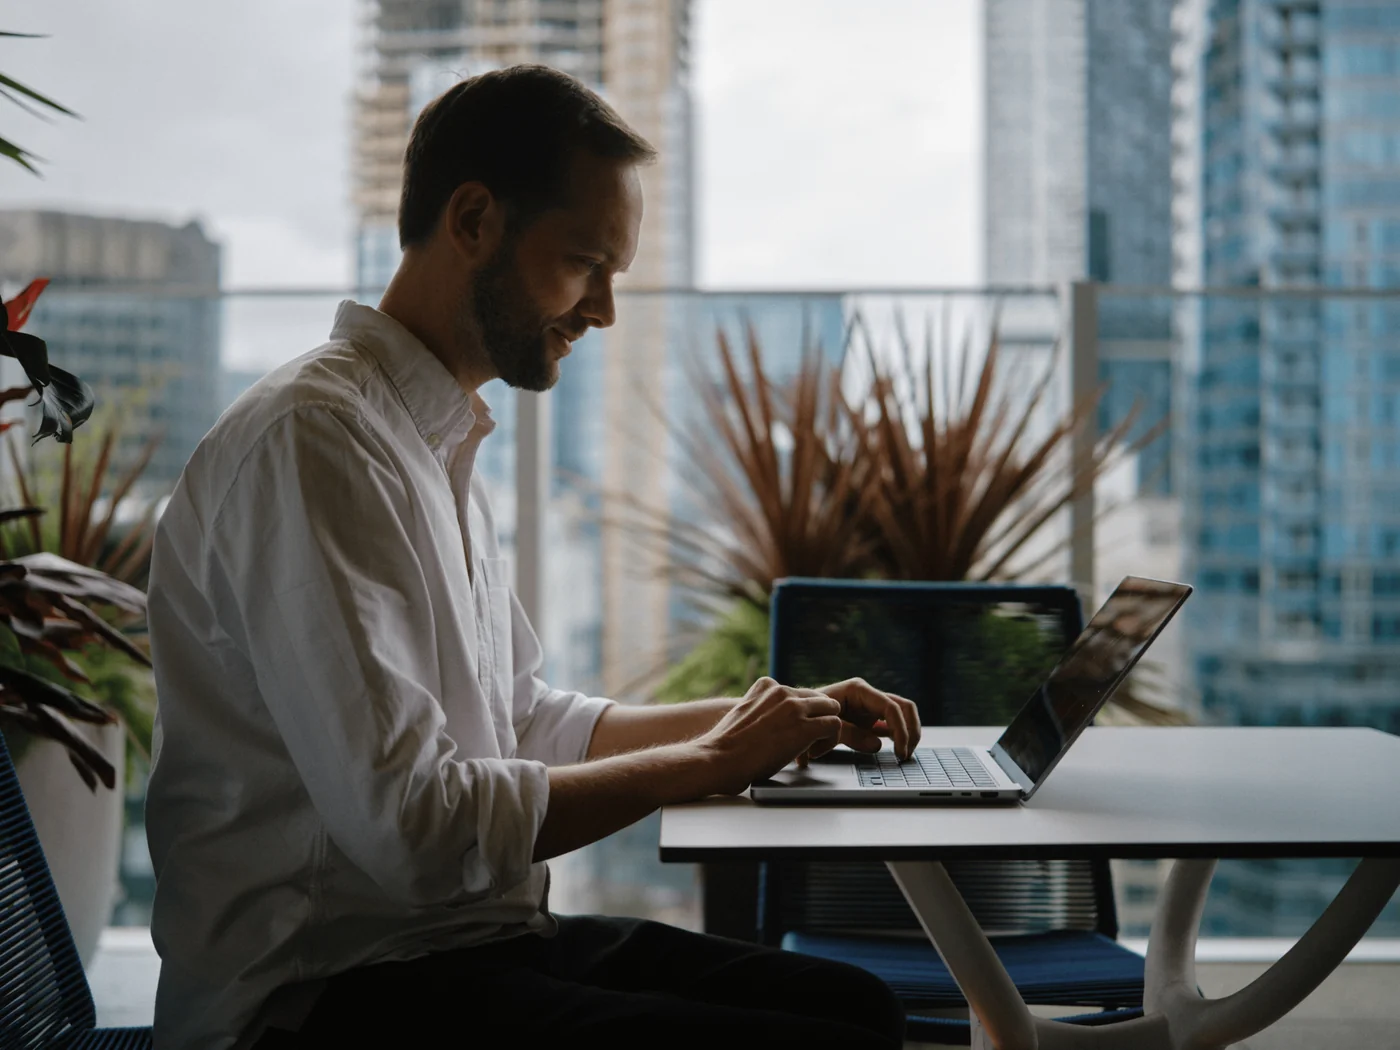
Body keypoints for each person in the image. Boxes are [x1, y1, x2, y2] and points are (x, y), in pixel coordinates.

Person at [144, 65, 920, 1050]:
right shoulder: (315, 444)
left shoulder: (430, 438)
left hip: (457, 947)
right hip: (318, 995)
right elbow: (416, 832)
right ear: (473, 220)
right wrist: (712, 762)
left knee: (852, 1008)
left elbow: (523, 721)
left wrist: (777, 720)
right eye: (585, 261)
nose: (601, 309)